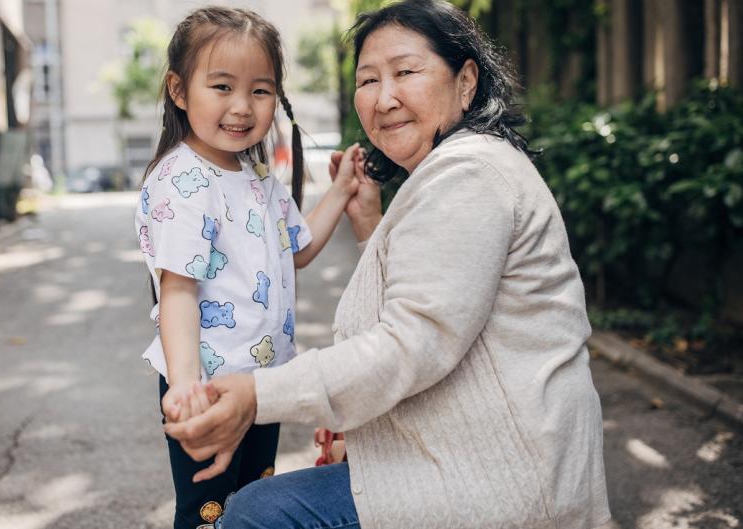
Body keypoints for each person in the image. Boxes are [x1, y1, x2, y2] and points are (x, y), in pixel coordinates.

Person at [165, 1, 612, 528]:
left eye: (405, 72)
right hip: (471, 459)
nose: (384, 98)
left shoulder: (468, 177)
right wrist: (367, 225)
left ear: (466, 81)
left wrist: (259, 394)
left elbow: (413, 343)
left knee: (257, 512)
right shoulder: (455, 170)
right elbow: (429, 303)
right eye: (369, 80)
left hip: (499, 483)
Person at [134, 7, 364, 529]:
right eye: (222, 86)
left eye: (260, 91)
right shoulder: (183, 181)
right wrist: (186, 386)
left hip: (262, 382)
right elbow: (177, 291)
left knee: (253, 500)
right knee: (208, 511)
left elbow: (295, 248)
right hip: (208, 386)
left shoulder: (256, 175)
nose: (242, 106)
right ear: (178, 90)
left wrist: (342, 190)